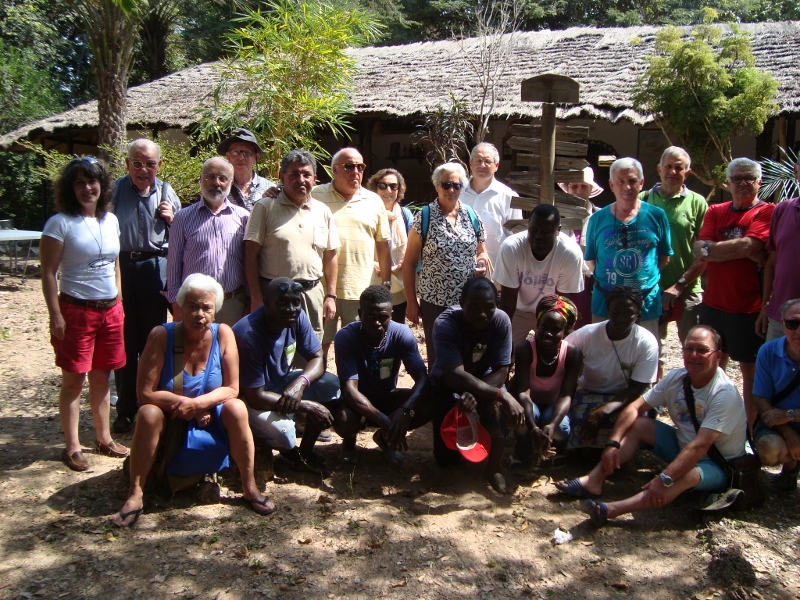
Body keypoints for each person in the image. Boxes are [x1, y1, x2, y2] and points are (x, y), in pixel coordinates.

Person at [112, 274, 275, 528]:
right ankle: (136, 494)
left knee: (237, 408)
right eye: (192, 306)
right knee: (147, 413)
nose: (199, 314)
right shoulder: (161, 336)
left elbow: (232, 388)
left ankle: (249, 486)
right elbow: (145, 394)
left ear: (215, 310)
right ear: (180, 306)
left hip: (209, 412)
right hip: (169, 416)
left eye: (206, 307)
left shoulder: (223, 334)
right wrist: (185, 405)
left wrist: (198, 405)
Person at [555, 326, 747, 527]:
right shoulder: (677, 378)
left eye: (702, 350)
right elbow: (636, 406)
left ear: (717, 356)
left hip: (717, 463)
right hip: (683, 448)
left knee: (686, 475)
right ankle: (594, 480)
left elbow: (701, 446)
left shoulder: (723, 394)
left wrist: (664, 478)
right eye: (689, 349)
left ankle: (612, 510)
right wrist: (613, 443)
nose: (694, 355)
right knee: (639, 425)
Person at [40, 156, 129, 472]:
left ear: (102, 186)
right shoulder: (60, 223)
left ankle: (103, 438)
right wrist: (56, 315)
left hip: (110, 312)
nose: (87, 188)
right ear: (70, 187)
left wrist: (117, 300)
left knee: (103, 379)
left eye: (92, 182)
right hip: (76, 311)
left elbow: (116, 265)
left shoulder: (111, 220)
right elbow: (48, 272)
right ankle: (73, 446)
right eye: (79, 182)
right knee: (74, 381)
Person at [233, 278, 343, 476]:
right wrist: (307, 405)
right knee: (284, 433)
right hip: (247, 398)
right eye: (282, 303)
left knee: (332, 385)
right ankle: (289, 455)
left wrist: (301, 383)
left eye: (296, 302)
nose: (291, 309)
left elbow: (318, 357)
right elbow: (255, 396)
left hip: (279, 383)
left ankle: (304, 454)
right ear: (266, 302)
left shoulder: (297, 317)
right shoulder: (249, 333)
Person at [694, 157, 774, 426]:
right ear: (727, 182)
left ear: (759, 182)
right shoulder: (715, 210)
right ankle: (710, 425)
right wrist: (742, 249)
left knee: (749, 372)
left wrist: (716, 248)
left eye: (749, 178)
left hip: (747, 308)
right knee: (711, 367)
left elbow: (749, 246)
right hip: (713, 304)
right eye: (737, 178)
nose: (742, 183)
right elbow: (699, 249)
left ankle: (748, 432)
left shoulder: (766, 211)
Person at [111, 138, 182, 434]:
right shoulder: (114, 191)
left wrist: (172, 219)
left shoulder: (167, 192)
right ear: (127, 164)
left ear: (159, 166)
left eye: (150, 164)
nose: (143, 169)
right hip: (123, 268)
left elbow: (183, 234)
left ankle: (149, 405)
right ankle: (126, 409)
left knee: (153, 342)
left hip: (156, 268)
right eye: (137, 163)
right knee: (126, 342)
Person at [429, 277, 525, 494]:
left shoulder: (501, 321)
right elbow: (453, 374)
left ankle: (493, 468)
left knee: (498, 409)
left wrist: (487, 395)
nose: (482, 313)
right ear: (462, 302)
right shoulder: (445, 323)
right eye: (474, 306)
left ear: (497, 304)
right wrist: (500, 394)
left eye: (489, 307)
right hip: (448, 386)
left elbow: (502, 370)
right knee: (445, 460)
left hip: (484, 383)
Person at [243, 149, 339, 339]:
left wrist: (331, 296)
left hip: (311, 294)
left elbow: (331, 256)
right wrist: (255, 297)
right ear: (282, 177)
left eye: (306, 174)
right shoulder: (265, 207)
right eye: (294, 174)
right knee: (274, 351)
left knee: (310, 352)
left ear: (315, 179)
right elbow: (250, 254)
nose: (301, 179)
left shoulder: (323, 212)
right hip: (274, 296)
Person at [403, 162, 489, 367]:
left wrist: (482, 261)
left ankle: (462, 395)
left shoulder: (471, 215)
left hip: (468, 301)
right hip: (435, 301)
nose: (451, 190)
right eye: (446, 185)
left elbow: (482, 251)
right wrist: (412, 302)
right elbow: (409, 262)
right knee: (438, 355)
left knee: (465, 351)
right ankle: (437, 396)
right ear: (437, 186)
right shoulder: (424, 216)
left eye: (457, 185)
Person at [334, 285, 432, 465]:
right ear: (360, 313)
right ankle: (349, 442)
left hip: (386, 398)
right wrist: (383, 419)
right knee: (344, 419)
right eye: (370, 317)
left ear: (391, 315)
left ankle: (384, 439)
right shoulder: (346, 337)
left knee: (428, 404)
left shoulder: (401, 334)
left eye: (383, 317)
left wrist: (406, 410)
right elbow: (349, 390)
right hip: (357, 405)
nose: (376, 323)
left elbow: (422, 379)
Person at [312, 147, 392, 361]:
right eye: (349, 166)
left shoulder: (374, 201)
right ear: (334, 170)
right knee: (319, 347)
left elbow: (383, 246)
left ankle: (352, 391)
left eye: (360, 166)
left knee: (356, 348)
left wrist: (386, 283)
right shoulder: (314, 195)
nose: (355, 171)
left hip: (360, 288)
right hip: (322, 288)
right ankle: (318, 391)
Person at [584, 157, 672, 339]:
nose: (627, 187)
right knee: (601, 356)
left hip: (646, 302)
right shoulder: (597, 219)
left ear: (641, 183)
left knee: (646, 354)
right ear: (611, 185)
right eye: (621, 181)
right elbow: (591, 259)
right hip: (605, 302)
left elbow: (664, 258)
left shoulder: (657, 216)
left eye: (632, 181)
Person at [640, 147, 708, 377]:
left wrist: (680, 284)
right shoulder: (643, 200)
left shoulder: (698, 203)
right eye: (668, 166)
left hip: (688, 288)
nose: (672, 171)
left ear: (687, 173)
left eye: (679, 167)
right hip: (650, 289)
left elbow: (705, 252)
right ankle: (653, 400)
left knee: (696, 349)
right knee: (651, 350)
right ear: (659, 170)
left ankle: (695, 398)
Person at [564, 286, 659, 448]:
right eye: (616, 312)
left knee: (628, 427)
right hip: (589, 392)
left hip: (625, 396)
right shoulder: (587, 334)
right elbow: (562, 354)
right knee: (578, 429)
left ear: (638, 314)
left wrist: (605, 410)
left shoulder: (646, 342)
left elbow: (638, 387)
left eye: (628, 312)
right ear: (608, 310)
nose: (621, 318)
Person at [167, 157, 250, 326]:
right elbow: (173, 266)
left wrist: (249, 300)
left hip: (232, 304)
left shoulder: (243, 217)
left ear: (231, 182)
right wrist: (176, 305)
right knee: (196, 352)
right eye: (210, 177)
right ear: (201, 178)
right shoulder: (182, 218)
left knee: (231, 351)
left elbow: (249, 262)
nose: (216, 182)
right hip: (195, 305)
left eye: (222, 178)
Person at [494, 204, 585, 346]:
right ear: (528, 226)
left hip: (552, 312)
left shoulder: (570, 253)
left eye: (546, 231)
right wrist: (503, 336)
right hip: (518, 309)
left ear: (558, 231)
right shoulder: (511, 248)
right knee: (504, 353)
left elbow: (563, 302)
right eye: (534, 230)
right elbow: (508, 300)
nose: (538, 236)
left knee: (548, 356)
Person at [509, 295, 582, 463]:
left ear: (566, 331)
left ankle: (556, 447)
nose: (548, 333)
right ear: (537, 326)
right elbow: (523, 392)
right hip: (530, 403)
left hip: (553, 404)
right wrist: (533, 427)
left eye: (556, 329)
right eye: (544, 327)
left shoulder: (572, 354)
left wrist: (553, 425)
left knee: (561, 429)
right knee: (522, 421)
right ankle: (524, 445)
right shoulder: (525, 349)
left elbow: (566, 396)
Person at [753, 298, 800, 491]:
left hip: (784, 417)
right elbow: (760, 398)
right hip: (779, 425)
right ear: (783, 323)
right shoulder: (768, 351)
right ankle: (791, 466)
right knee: (768, 448)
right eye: (793, 323)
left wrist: (788, 415)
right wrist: (788, 433)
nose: (798, 330)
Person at [756, 161, 800, 342]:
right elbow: (772, 263)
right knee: (774, 366)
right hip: (779, 315)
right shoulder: (782, 210)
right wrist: (765, 305)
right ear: (796, 172)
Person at [460, 142, 522, 267]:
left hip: (495, 272)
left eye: (487, 161)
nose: (482, 165)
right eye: (478, 160)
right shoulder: (458, 193)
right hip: (459, 270)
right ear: (470, 163)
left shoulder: (509, 197)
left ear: (496, 165)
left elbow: (517, 238)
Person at [558, 166, 603, 330]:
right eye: (574, 186)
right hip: (562, 283)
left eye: (583, 186)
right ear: (568, 189)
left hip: (590, 284)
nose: (578, 190)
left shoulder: (600, 217)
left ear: (591, 189)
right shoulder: (558, 217)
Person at [366, 168, 413, 323]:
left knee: (396, 324)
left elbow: (413, 246)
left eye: (393, 186)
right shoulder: (366, 214)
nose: (389, 190)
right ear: (374, 188)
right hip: (370, 279)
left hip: (398, 281)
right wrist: (371, 264)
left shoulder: (405, 215)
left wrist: (405, 260)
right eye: (383, 185)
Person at [217, 128, 276, 211]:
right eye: (235, 152)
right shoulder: (219, 188)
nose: (241, 157)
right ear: (228, 156)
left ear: (256, 157)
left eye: (247, 153)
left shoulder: (270, 189)